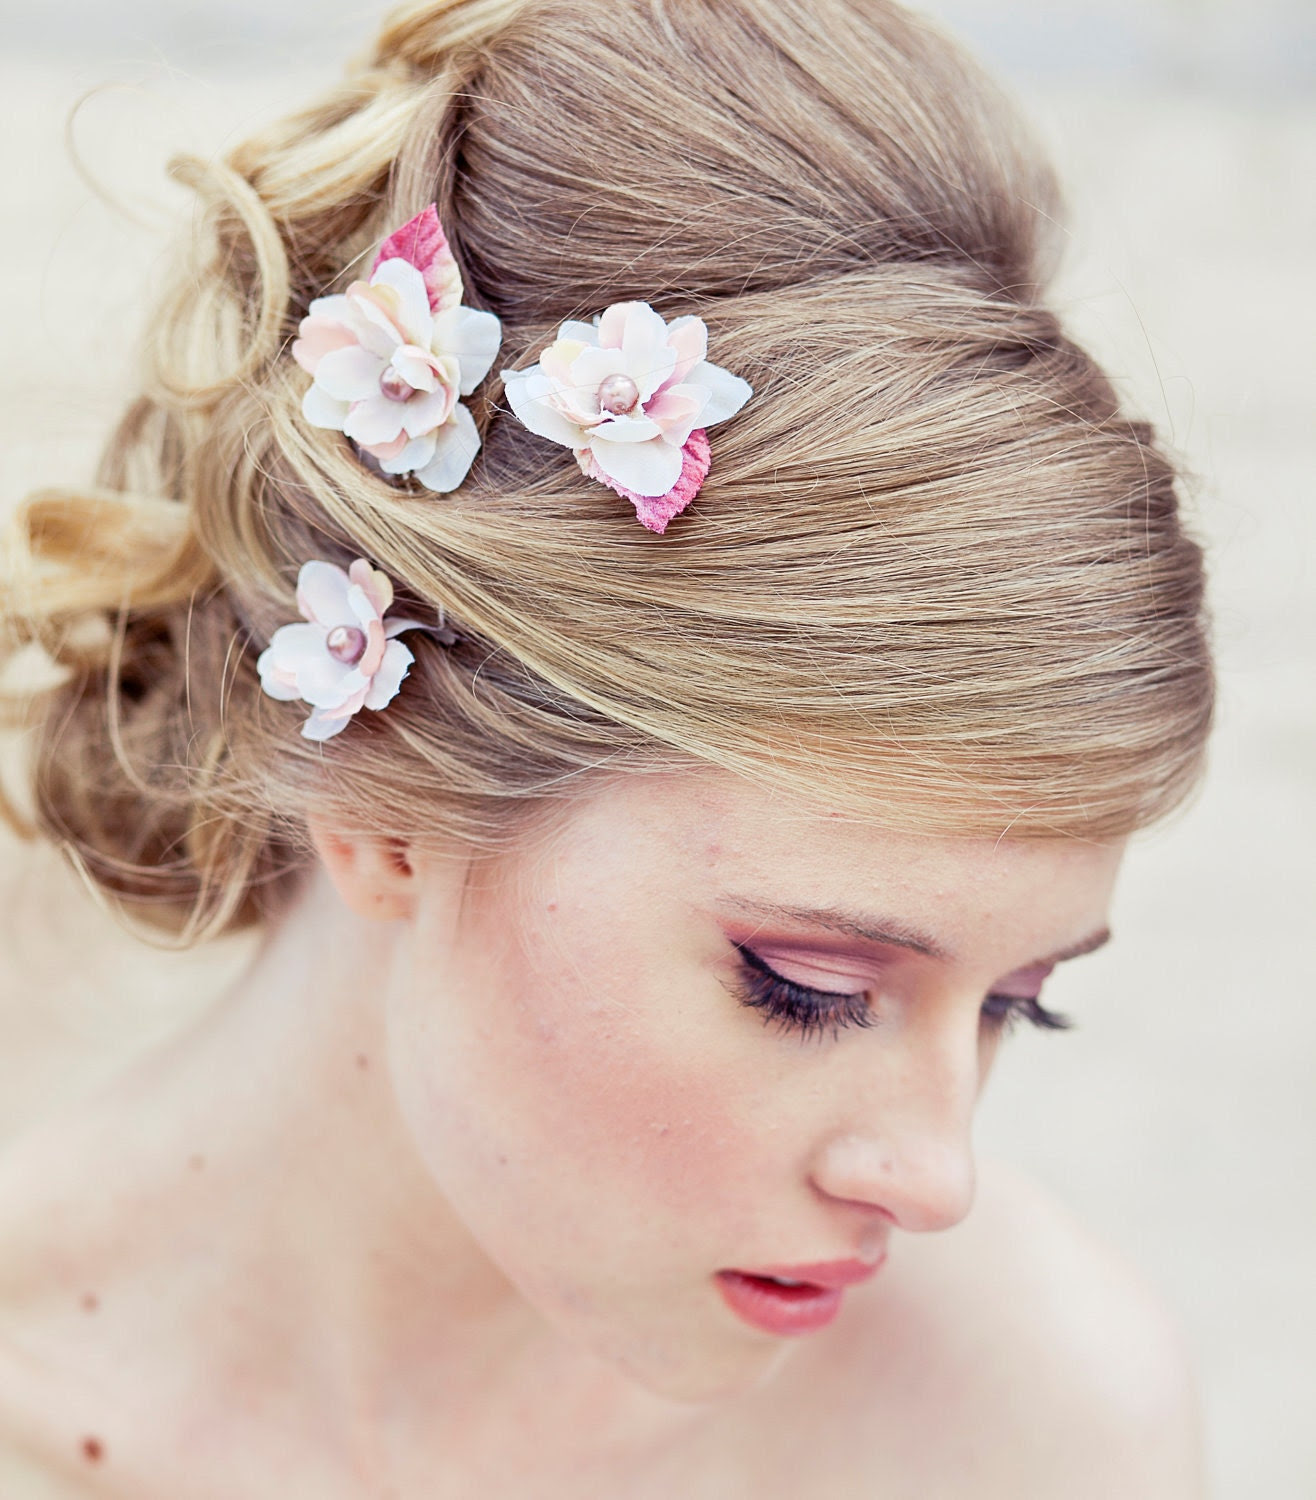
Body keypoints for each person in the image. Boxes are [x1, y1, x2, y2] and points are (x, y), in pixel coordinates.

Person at [0, 0, 1213, 1493]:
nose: (933, 1175)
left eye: (1017, 1006)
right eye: (806, 989)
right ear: (385, 806)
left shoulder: (1029, 1425)